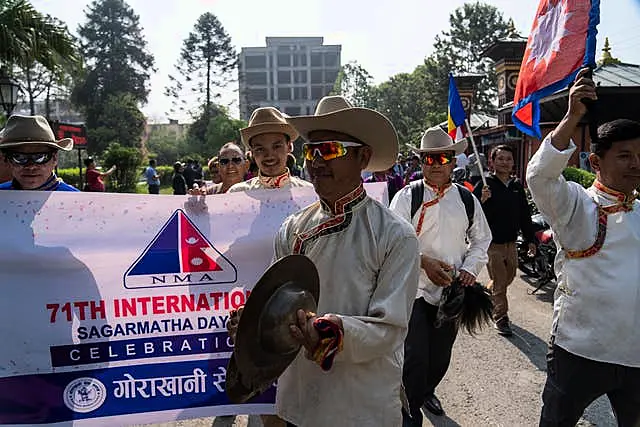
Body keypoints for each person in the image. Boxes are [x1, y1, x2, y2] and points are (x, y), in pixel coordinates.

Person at [229, 96, 420, 426]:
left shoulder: (394, 235)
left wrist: (331, 332)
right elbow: (278, 306)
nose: (316, 161)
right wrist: (252, 322)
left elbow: (390, 329)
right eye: (310, 151)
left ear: (363, 156)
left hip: (359, 403)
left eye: (329, 150)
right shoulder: (292, 227)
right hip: (298, 399)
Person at [526, 68, 640, 427]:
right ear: (596, 162)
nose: (636, 164)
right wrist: (573, 116)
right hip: (580, 347)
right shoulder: (576, 203)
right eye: (624, 155)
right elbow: (539, 177)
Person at [389, 125, 491, 425]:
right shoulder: (408, 196)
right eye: (429, 159)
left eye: (442, 158)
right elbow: (393, 241)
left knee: (440, 357)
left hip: (451, 293)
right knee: (415, 357)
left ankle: (425, 391)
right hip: (414, 290)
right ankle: (409, 413)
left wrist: (470, 270)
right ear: (421, 162)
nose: (436, 165)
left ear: (452, 161)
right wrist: (423, 262)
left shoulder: (466, 199)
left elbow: (482, 239)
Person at [473, 144, 535, 336]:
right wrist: (481, 200)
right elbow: (471, 213)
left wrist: (530, 239)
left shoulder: (516, 186)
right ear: (492, 162)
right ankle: (500, 317)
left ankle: (489, 292)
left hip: (511, 242)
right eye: (500, 158)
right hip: (491, 243)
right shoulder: (484, 184)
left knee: (509, 277)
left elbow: (525, 214)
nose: (505, 162)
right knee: (500, 281)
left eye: (508, 159)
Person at [228, 107, 313, 192]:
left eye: (277, 146)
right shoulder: (238, 193)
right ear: (252, 153)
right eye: (260, 149)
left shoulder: (308, 192)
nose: (269, 155)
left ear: (289, 147)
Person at [0, 115, 78, 191]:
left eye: (40, 157)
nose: (31, 167)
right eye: (19, 157)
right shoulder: (2, 194)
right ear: (6, 160)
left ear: (55, 159)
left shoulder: (75, 200)